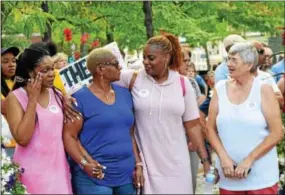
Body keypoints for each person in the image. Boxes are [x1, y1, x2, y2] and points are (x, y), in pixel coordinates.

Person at [116, 33, 211, 194]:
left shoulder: (183, 83)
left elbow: (193, 125)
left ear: (166, 58)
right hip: (147, 166)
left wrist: (206, 161)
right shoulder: (133, 79)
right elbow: (97, 78)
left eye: (151, 58)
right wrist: (65, 97)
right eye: (144, 57)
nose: (146, 62)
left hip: (177, 165)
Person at [63, 48, 143, 195]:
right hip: (94, 178)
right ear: (100, 69)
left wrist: (138, 163)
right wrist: (84, 164)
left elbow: (130, 134)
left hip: (126, 176)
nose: (120, 67)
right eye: (115, 64)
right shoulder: (78, 99)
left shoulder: (125, 94)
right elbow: (69, 136)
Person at [207, 42, 283, 194]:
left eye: (234, 60)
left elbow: (277, 132)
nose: (229, 64)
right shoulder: (220, 89)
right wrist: (223, 158)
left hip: (261, 178)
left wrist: (249, 159)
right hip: (228, 177)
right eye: (228, 59)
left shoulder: (263, 89)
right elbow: (209, 128)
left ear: (249, 65)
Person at [5, 42, 72, 194]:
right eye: (45, 70)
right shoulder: (15, 98)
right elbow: (22, 138)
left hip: (58, 172)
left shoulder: (58, 94)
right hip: (30, 175)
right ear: (30, 72)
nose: (52, 74)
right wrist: (32, 100)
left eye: (53, 68)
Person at [1, 47, 20, 115]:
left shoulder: (19, 80)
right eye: (6, 61)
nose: (11, 65)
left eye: (14, 61)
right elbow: (5, 108)